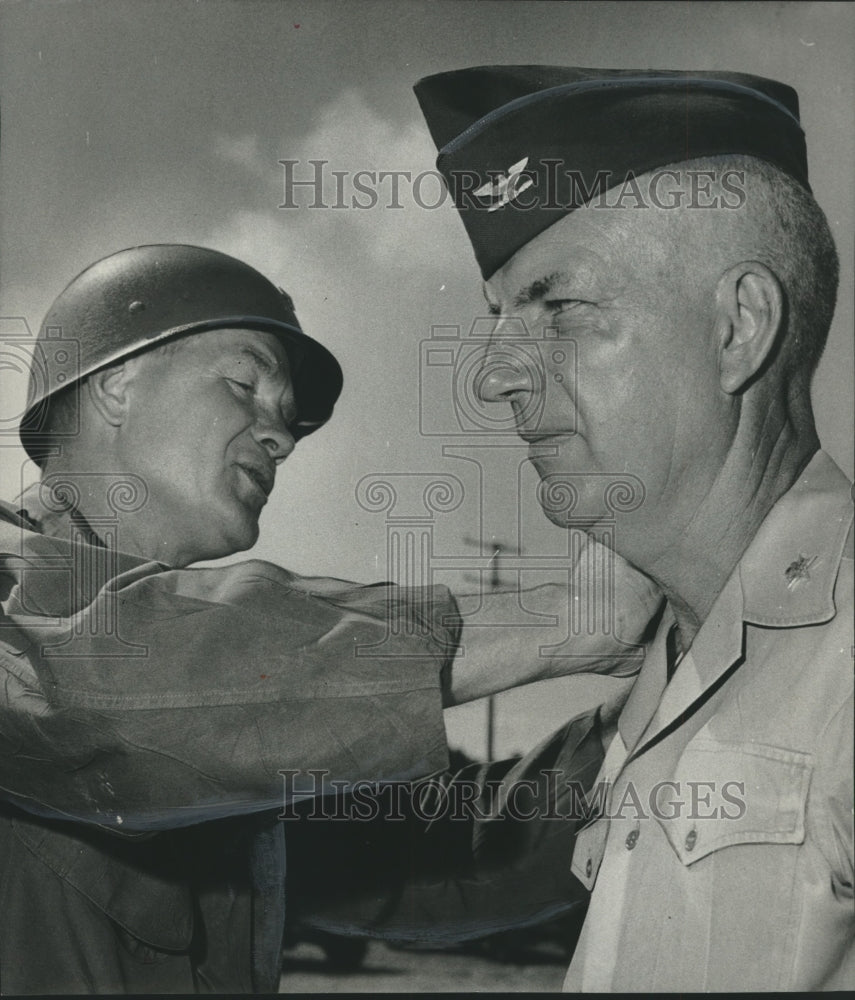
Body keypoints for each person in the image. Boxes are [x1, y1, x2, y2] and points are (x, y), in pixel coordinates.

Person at [0, 243, 659, 993]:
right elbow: (99, 685)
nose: (279, 437)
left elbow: (451, 853)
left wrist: (649, 718)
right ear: (117, 383)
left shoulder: (231, 737)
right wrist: (568, 619)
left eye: (285, 421)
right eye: (244, 383)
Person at [409, 65, 854, 991]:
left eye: (558, 307)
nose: (492, 376)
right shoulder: (663, 670)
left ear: (739, 328)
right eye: (498, 317)